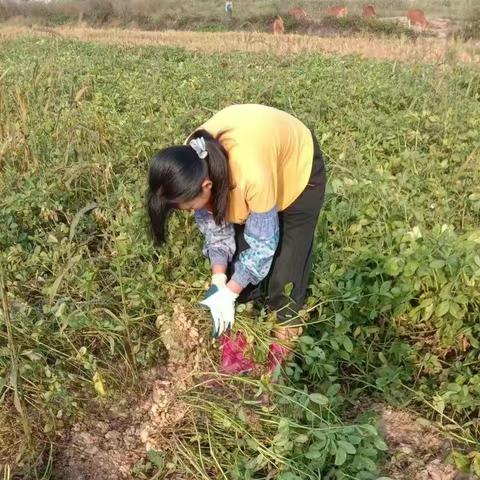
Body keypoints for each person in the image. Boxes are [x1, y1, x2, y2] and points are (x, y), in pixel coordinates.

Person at [147, 104, 326, 350]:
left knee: (286, 278)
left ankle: (281, 353)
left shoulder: (250, 176)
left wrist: (229, 294)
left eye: (189, 207)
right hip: (255, 158)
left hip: (296, 167)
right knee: (236, 271)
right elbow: (215, 228)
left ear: (207, 185)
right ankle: (243, 342)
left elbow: (262, 248)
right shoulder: (189, 162)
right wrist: (220, 279)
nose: (190, 212)